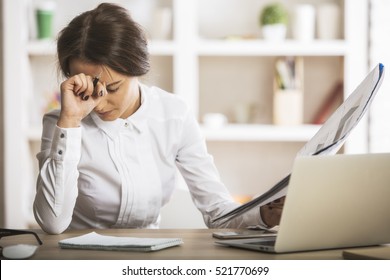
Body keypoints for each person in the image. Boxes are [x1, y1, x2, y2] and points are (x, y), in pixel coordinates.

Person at [33, 3, 284, 234]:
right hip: (82, 261)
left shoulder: (173, 115)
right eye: (88, 90)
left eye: (112, 89)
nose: (100, 103)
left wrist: (264, 214)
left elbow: (218, 213)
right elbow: (53, 223)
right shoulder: (60, 122)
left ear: (138, 70)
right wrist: (70, 123)